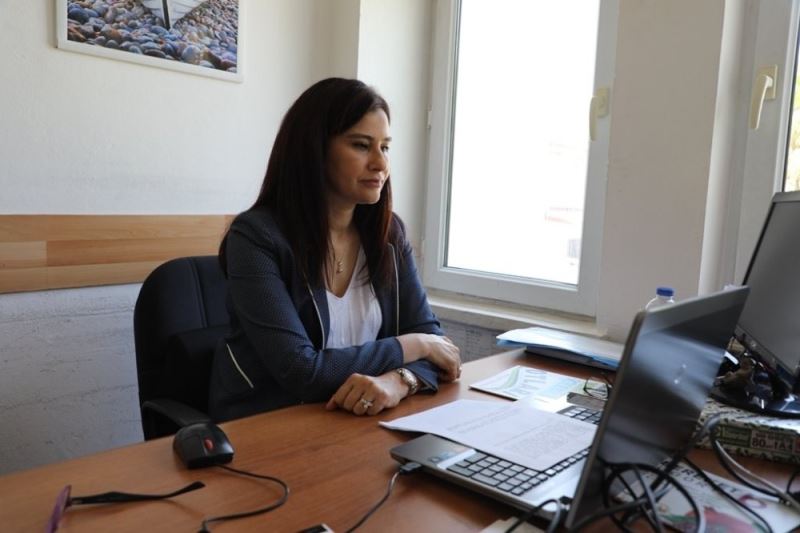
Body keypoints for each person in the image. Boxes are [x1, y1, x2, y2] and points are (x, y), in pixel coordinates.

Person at [208, 78, 461, 422]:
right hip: (268, 426)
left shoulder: (388, 235)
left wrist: (399, 380)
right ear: (313, 150)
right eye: (361, 145)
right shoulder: (255, 238)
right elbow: (301, 371)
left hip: (355, 423)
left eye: (385, 147)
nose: (381, 164)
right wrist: (413, 346)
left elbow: (439, 349)